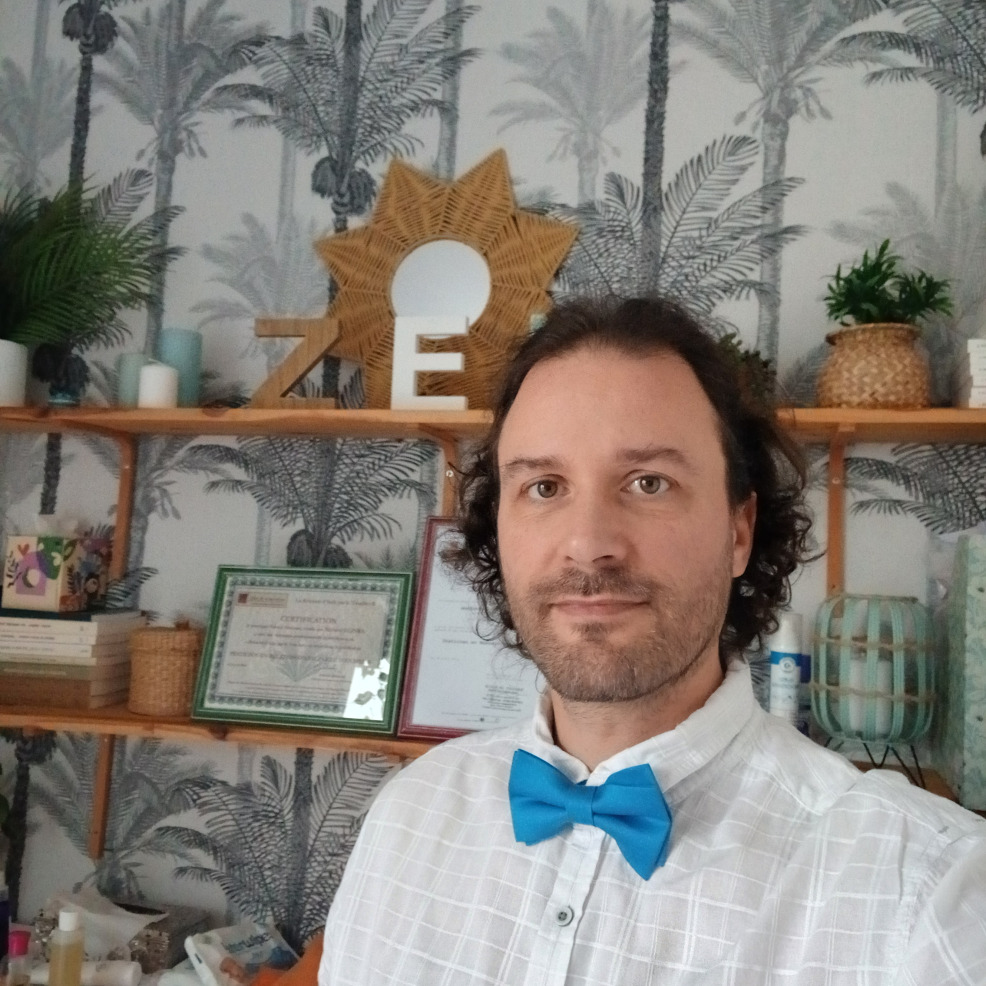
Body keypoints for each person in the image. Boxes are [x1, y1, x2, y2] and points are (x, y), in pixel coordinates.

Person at [319, 296, 986, 985]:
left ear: (738, 531)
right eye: (544, 487)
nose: (588, 544)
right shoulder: (407, 815)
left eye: (648, 482)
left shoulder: (929, 893)